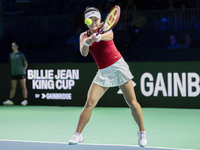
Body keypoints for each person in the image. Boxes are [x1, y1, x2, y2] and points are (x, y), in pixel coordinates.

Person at [68, 7, 147, 147]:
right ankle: (77, 134)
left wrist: (98, 37)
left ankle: (142, 132)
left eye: (96, 19)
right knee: (90, 102)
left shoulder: (105, 28)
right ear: (86, 22)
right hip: (103, 71)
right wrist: (87, 43)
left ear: (100, 21)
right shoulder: (83, 36)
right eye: (89, 20)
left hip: (118, 66)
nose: (93, 22)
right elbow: (84, 53)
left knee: (132, 103)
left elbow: (110, 35)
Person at [3, 41, 28, 106]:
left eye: (14, 46)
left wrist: (23, 70)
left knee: (23, 87)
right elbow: (11, 63)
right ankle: (10, 100)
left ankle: (25, 100)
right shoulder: (10, 55)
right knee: (13, 87)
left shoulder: (21, 54)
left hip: (21, 73)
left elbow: (26, 63)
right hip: (14, 73)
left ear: (17, 46)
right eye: (12, 46)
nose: (12, 47)